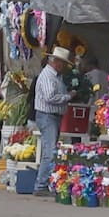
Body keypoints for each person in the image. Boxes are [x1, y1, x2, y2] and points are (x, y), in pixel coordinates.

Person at [33, 46, 74, 197]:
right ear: (55, 62)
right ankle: (41, 185)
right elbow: (50, 97)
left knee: (50, 151)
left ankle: (45, 183)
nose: (63, 66)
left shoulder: (56, 76)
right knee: (49, 152)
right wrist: (68, 97)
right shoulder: (48, 76)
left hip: (52, 116)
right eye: (62, 63)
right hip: (47, 115)